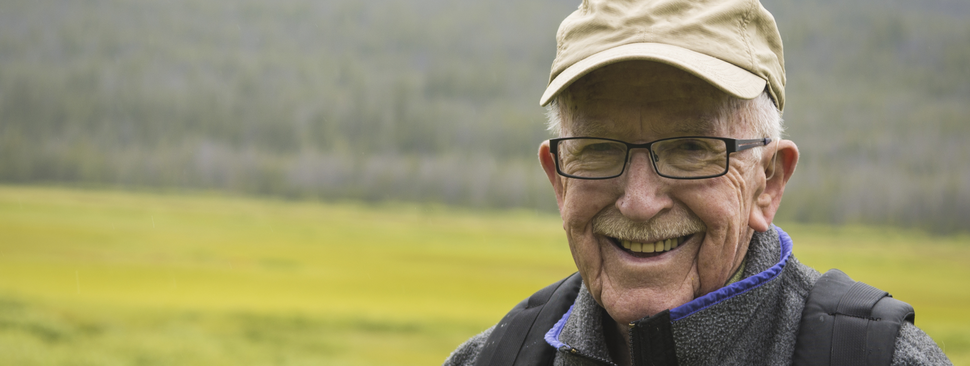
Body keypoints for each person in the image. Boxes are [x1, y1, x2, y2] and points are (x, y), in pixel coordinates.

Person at [444, 0, 951, 365]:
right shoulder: (493, 358)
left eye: (690, 149)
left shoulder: (879, 359)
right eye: (598, 149)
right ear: (559, 183)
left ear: (767, 182)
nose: (640, 203)